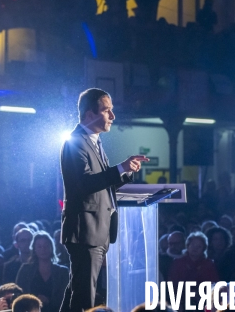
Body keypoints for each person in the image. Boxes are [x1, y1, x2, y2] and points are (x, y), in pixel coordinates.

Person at [59, 88, 148, 311]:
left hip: (96, 231)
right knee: (84, 297)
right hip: (85, 231)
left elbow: (101, 185)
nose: (112, 116)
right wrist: (119, 168)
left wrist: (125, 172)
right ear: (89, 114)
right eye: (107, 110)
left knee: (77, 290)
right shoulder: (76, 142)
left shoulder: (94, 142)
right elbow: (84, 184)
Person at [15, 231, 68, 312]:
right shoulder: (25, 270)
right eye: (39, 246)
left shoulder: (62, 271)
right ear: (34, 249)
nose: (43, 249)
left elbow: (67, 296)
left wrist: (49, 301)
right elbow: (19, 293)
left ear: (51, 247)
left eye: (46, 246)